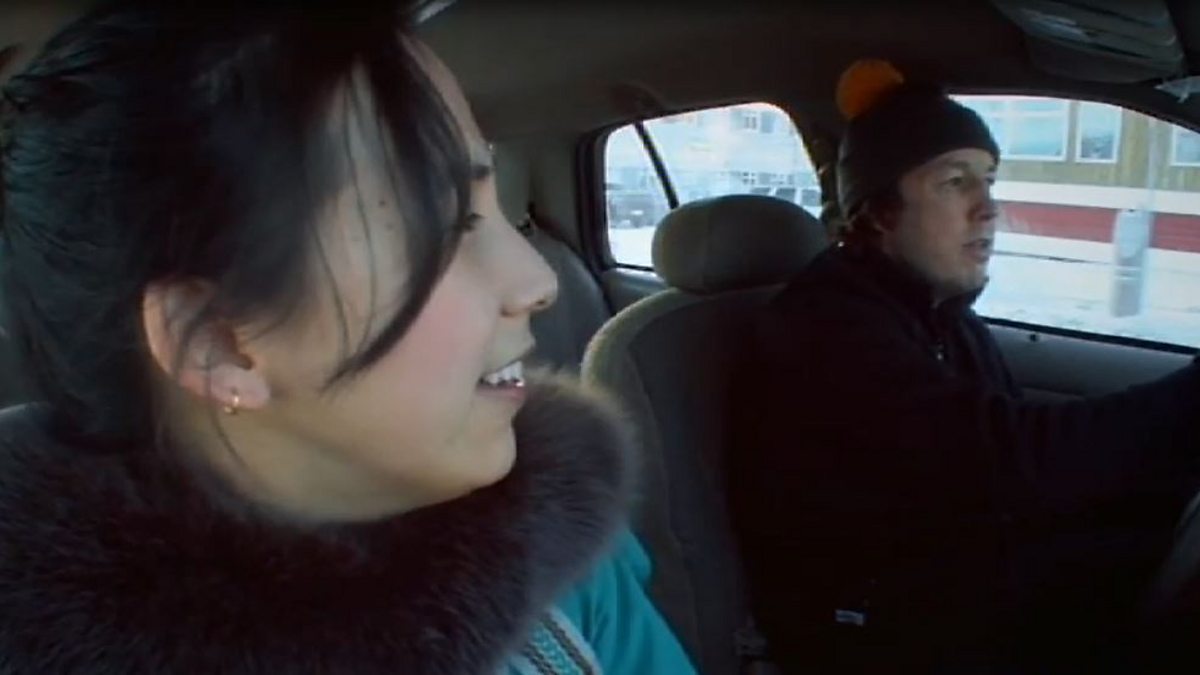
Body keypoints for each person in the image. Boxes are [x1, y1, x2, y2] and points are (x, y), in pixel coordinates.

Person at [0, 2, 695, 673]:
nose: (537, 282)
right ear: (217, 344)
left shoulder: (563, 568)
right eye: (443, 225)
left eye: (497, 210)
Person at [732, 59, 1200, 673]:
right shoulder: (822, 329)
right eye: (955, 182)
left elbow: (1015, 468)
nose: (988, 208)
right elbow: (1007, 461)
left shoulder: (936, 311)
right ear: (879, 211)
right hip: (875, 634)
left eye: (989, 180)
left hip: (958, 579)